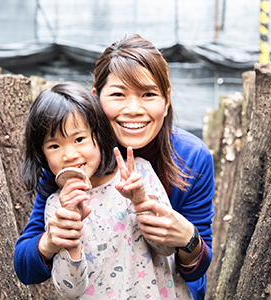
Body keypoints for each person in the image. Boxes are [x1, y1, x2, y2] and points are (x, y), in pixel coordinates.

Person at [14, 34, 215, 300]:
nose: (133, 109)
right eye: (118, 94)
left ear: (166, 101)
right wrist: (50, 241)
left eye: (148, 94)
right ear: (97, 98)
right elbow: (27, 268)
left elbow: (195, 271)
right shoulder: (74, 161)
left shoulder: (191, 157)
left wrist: (188, 238)